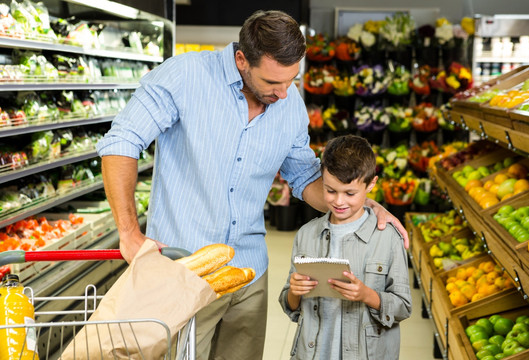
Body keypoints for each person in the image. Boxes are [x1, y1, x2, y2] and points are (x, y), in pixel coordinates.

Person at [96, 9, 409, 360]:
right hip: (183, 270)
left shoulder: (290, 108)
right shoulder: (185, 76)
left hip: (249, 274)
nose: (284, 93)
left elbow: (306, 179)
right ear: (242, 60)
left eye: (291, 80)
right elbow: (121, 142)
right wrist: (128, 231)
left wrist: (362, 202)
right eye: (273, 83)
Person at [279, 135, 412, 360]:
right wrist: (294, 292)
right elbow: (290, 305)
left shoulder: (388, 238)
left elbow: (403, 306)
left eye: (350, 193)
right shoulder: (307, 235)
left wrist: (368, 295)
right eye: (330, 190)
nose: (339, 202)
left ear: (371, 184)